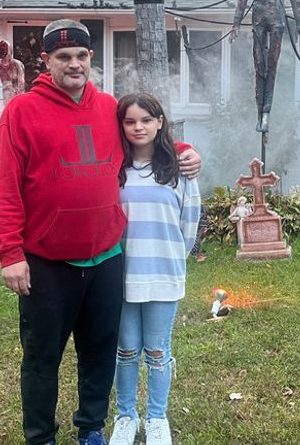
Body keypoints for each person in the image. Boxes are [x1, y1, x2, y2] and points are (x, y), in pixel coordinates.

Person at [0, 19, 201, 445]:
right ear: (45, 61)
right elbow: (5, 186)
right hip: (48, 261)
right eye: (63, 57)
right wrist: (10, 253)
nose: (74, 64)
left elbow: (144, 134)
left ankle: (90, 428)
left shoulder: (108, 108)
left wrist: (181, 150)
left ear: (91, 59)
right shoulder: (21, 112)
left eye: (82, 56)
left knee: (100, 351)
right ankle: (41, 437)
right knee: (42, 357)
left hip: (106, 258)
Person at [108, 93, 200, 445]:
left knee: (158, 352)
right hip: (123, 275)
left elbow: (188, 223)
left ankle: (157, 417)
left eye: (145, 120)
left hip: (163, 273)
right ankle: (126, 416)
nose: (138, 127)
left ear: (160, 122)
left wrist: (174, 258)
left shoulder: (179, 171)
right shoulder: (115, 171)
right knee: (127, 350)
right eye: (129, 121)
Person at [231, 0, 300, 133]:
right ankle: (259, 114)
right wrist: (235, 24)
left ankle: (266, 113)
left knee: (272, 65)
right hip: (258, 15)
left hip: (277, 17)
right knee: (259, 65)